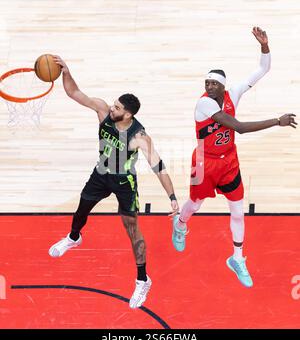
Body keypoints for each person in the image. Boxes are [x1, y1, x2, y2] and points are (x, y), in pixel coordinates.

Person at [48, 56, 179, 309]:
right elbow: (74, 92)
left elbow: (158, 167)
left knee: (133, 232)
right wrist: (66, 71)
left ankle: (143, 280)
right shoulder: (102, 111)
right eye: (114, 105)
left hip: (124, 182)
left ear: (128, 114)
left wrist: (172, 198)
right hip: (101, 172)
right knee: (81, 209)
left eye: (117, 108)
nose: (112, 109)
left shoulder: (139, 136)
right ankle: (74, 238)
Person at [172, 27, 297, 288]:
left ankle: (237, 258)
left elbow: (262, 70)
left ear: (223, 86)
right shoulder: (203, 104)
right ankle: (181, 224)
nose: (208, 87)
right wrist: (277, 121)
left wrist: (265, 46)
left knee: (238, 211)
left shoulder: (234, 93)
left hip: (229, 160)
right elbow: (238, 127)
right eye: (206, 83)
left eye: (213, 83)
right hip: (205, 161)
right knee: (194, 204)